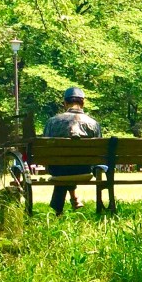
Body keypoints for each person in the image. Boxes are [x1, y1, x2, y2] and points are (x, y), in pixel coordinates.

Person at [43, 87, 101, 215]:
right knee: (71, 164)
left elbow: (45, 149)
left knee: (64, 165)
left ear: (65, 103)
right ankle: (74, 200)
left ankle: (59, 209)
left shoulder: (52, 122)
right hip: (84, 170)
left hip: (57, 169)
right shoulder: (94, 124)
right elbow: (99, 153)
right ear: (83, 103)